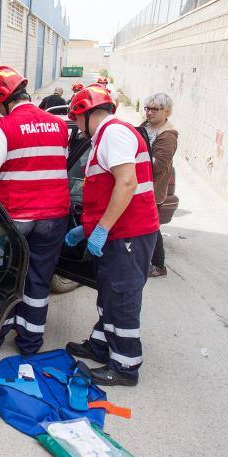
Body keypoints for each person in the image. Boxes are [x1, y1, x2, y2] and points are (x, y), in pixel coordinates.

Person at [0, 65, 70, 356]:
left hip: (17, 216)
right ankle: (30, 342)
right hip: (54, 216)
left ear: (2, 100)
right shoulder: (58, 125)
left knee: (6, 275)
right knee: (37, 278)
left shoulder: (5, 127)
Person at [64, 85, 159, 386]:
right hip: (121, 232)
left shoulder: (113, 134)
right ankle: (100, 344)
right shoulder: (107, 135)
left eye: (76, 120)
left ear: (87, 114)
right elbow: (107, 190)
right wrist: (88, 228)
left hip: (128, 233)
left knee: (121, 298)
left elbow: (127, 184)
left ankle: (124, 366)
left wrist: (101, 228)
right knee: (108, 294)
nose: (77, 128)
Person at [141, 93, 178, 277]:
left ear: (167, 111)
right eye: (147, 108)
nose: (149, 112)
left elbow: (156, 165)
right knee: (145, 227)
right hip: (142, 186)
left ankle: (159, 265)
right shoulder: (145, 126)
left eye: (154, 109)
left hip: (154, 190)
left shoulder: (168, 135)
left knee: (152, 228)